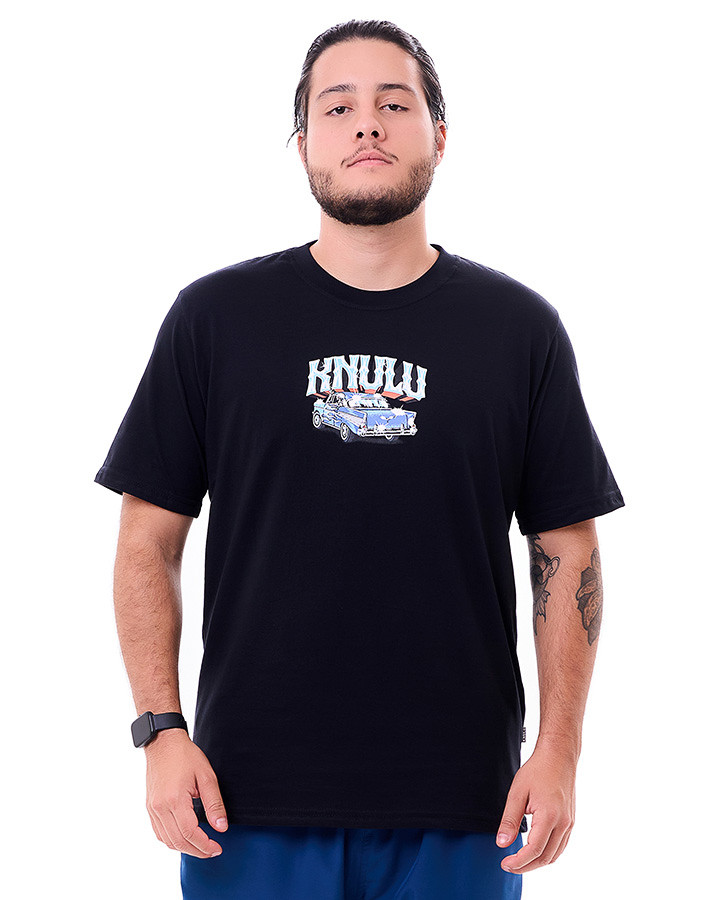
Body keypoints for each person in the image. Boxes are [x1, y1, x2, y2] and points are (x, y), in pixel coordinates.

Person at [94, 18, 625, 900]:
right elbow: (147, 538)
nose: (367, 123)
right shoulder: (214, 320)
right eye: (336, 107)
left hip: (467, 802)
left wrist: (560, 752)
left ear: (439, 135)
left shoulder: (517, 330)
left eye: (394, 103)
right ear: (303, 143)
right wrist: (160, 730)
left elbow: (566, 548)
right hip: (242, 798)